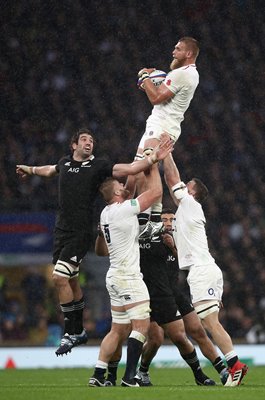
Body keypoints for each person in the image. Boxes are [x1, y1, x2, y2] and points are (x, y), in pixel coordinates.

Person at [16, 128, 172, 357]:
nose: (89, 143)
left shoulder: (99, 165)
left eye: (92, 140)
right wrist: (29, 169)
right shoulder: (65, 164)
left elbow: (129, 169)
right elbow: (50, 170)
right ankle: (78, 331)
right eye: (85, 140)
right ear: (74, 145)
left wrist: (152, 157)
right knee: (71, 280)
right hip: (61, 231)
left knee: (59, 276)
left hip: (80, 232)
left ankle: (71, 331)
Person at [88, 137, 173, 387]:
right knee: (141, 326)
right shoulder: (125, 209)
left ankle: (98, 374)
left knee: (117, 330)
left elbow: (130, 187)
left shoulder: (106, 213)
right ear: (116, 193)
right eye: (119, 185)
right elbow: (156, 193)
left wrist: (139, 159)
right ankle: (128, 377)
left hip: (113, 275)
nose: (122, 187)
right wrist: (153, 162)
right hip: (128, 276)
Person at [163, 153, 249, 387]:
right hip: (204, 270)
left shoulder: (190, 204)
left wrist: (166, 154)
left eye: (186, 185)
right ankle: (234, 365)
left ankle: (235, 366)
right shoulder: (186, 214)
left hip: (203, 270)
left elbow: (172, 179)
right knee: (211, 322)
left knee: (211, 324)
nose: (180, 188)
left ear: (191, 193)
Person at [135, 208, 228, 386]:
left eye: (172, 219)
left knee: (198, 331)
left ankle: (222, 370)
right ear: (157, 222)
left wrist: (172, 246)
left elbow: (191, 265)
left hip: (174, 292)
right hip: (153, 295)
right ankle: (142, 371)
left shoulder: (179, 240)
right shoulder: (146, 239)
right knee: (156, 340)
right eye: (165, 219)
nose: (169, 223)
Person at [136, 37, 200, 239]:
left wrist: (145, 77)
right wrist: (149, 85)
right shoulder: (188, 74)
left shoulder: (182, 74)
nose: (173, 52)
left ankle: (154, 219)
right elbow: (157, 94)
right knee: (137, 173)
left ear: (188, 54)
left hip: (163, 126)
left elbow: (155, 97)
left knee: (149, 165)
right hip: (158, 123)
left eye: (178, 49)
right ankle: (142, 219)